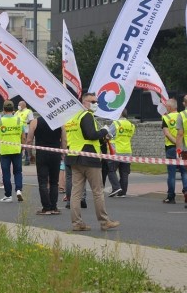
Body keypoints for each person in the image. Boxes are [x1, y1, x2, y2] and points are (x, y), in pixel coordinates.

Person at [65, 93, 120, 231]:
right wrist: (103, 131)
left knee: (76, 192)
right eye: (93, 101)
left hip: (74, 156)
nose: (96, 103)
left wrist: (101, 136)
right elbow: (90, 135)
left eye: (97, 101)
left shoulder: (72, 117)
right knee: (97, 191)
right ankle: (104, 222)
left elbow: (80, 136)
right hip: (89, 157)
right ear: (84, 102)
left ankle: (77, 223)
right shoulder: (86, 115)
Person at [27, 114, 63, 215]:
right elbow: (64, 139)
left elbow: (29, 140)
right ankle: (54, 207)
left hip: (41, 153)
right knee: (54, 181)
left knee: (43, 181)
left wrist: (30, 154)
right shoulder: (59, 121)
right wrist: (63, 153)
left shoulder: (35, 122)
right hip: (55, 152)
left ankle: (46, 208)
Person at [161, 99, 187, 204]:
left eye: (166, 107)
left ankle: (171, 196)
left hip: (171, 148)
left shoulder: (165, 117)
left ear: (170, 107)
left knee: (172, 174)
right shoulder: (183, 116)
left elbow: (167, 134)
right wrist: (180, 144)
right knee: (185, 171)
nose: (165, 108)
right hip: (183, 147)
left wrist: (175, 143)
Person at [0, 101, 24, 203]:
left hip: (4, 150)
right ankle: (18, 190)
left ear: (3, 110)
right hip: (16, 149)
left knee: (6, 173)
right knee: (17, 171)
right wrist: (23, 146)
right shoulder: (18, 119)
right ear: (13, 110)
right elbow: (23, 136)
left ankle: (8, 195)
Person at [106, 111, 135, 197]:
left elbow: (108, 135)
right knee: (124, 173)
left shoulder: (116, 123)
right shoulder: (131, 125)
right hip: (127, 151)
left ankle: (116, 187)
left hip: (116, 151)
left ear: (120, 114)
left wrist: (106, 131)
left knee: (111, 170)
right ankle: (123, 192)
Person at [17, 100, 33, 165]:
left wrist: (25, 123)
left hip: (26, 131)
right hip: (18, 131)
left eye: (19, 105)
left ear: (24, 105)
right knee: (19, 146)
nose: (18, 106)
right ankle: (19, 159)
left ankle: (27, 159)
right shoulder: (17, 112)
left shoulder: (28, 111)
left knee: (26, 146)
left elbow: (31, 121)